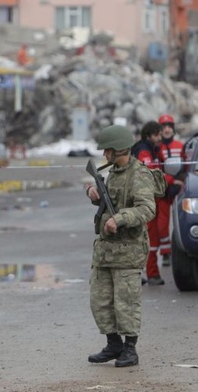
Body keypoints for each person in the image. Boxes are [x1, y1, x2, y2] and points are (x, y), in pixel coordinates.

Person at [85, 125, 156, 367]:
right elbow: (110, 202)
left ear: (119, 149)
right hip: (106, 250)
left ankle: (130, 349)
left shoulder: (140, 175)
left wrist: (120, 218)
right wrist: (94, 195)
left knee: (127, 301)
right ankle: (113, 344)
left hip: (128, 249)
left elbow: (147, 209)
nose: (104, 155)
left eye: (107, 150)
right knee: (101, 300)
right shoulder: (113, 172)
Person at [131, 121, 168, 285]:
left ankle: (141, 273)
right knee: (148, 239)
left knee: (144, 239)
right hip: (146, 201)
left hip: (147, 200)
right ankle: (151, 273)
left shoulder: (150, 150)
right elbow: (149, 175)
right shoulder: (144, 152)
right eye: (157, 135)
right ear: (149, 135)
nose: (160, 138)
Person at [157, 114, 186, 266]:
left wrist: (179, 182)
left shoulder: (180, 146)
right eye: (164, 127)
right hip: (163, 190)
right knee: (162, 225)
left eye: (169, 126)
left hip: (179, 189)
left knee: (183, 219)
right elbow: (156, 169)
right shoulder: (156, 147)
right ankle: (166, 252)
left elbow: (186, 166)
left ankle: (182, 248)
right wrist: (169, 182)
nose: (167, 129)